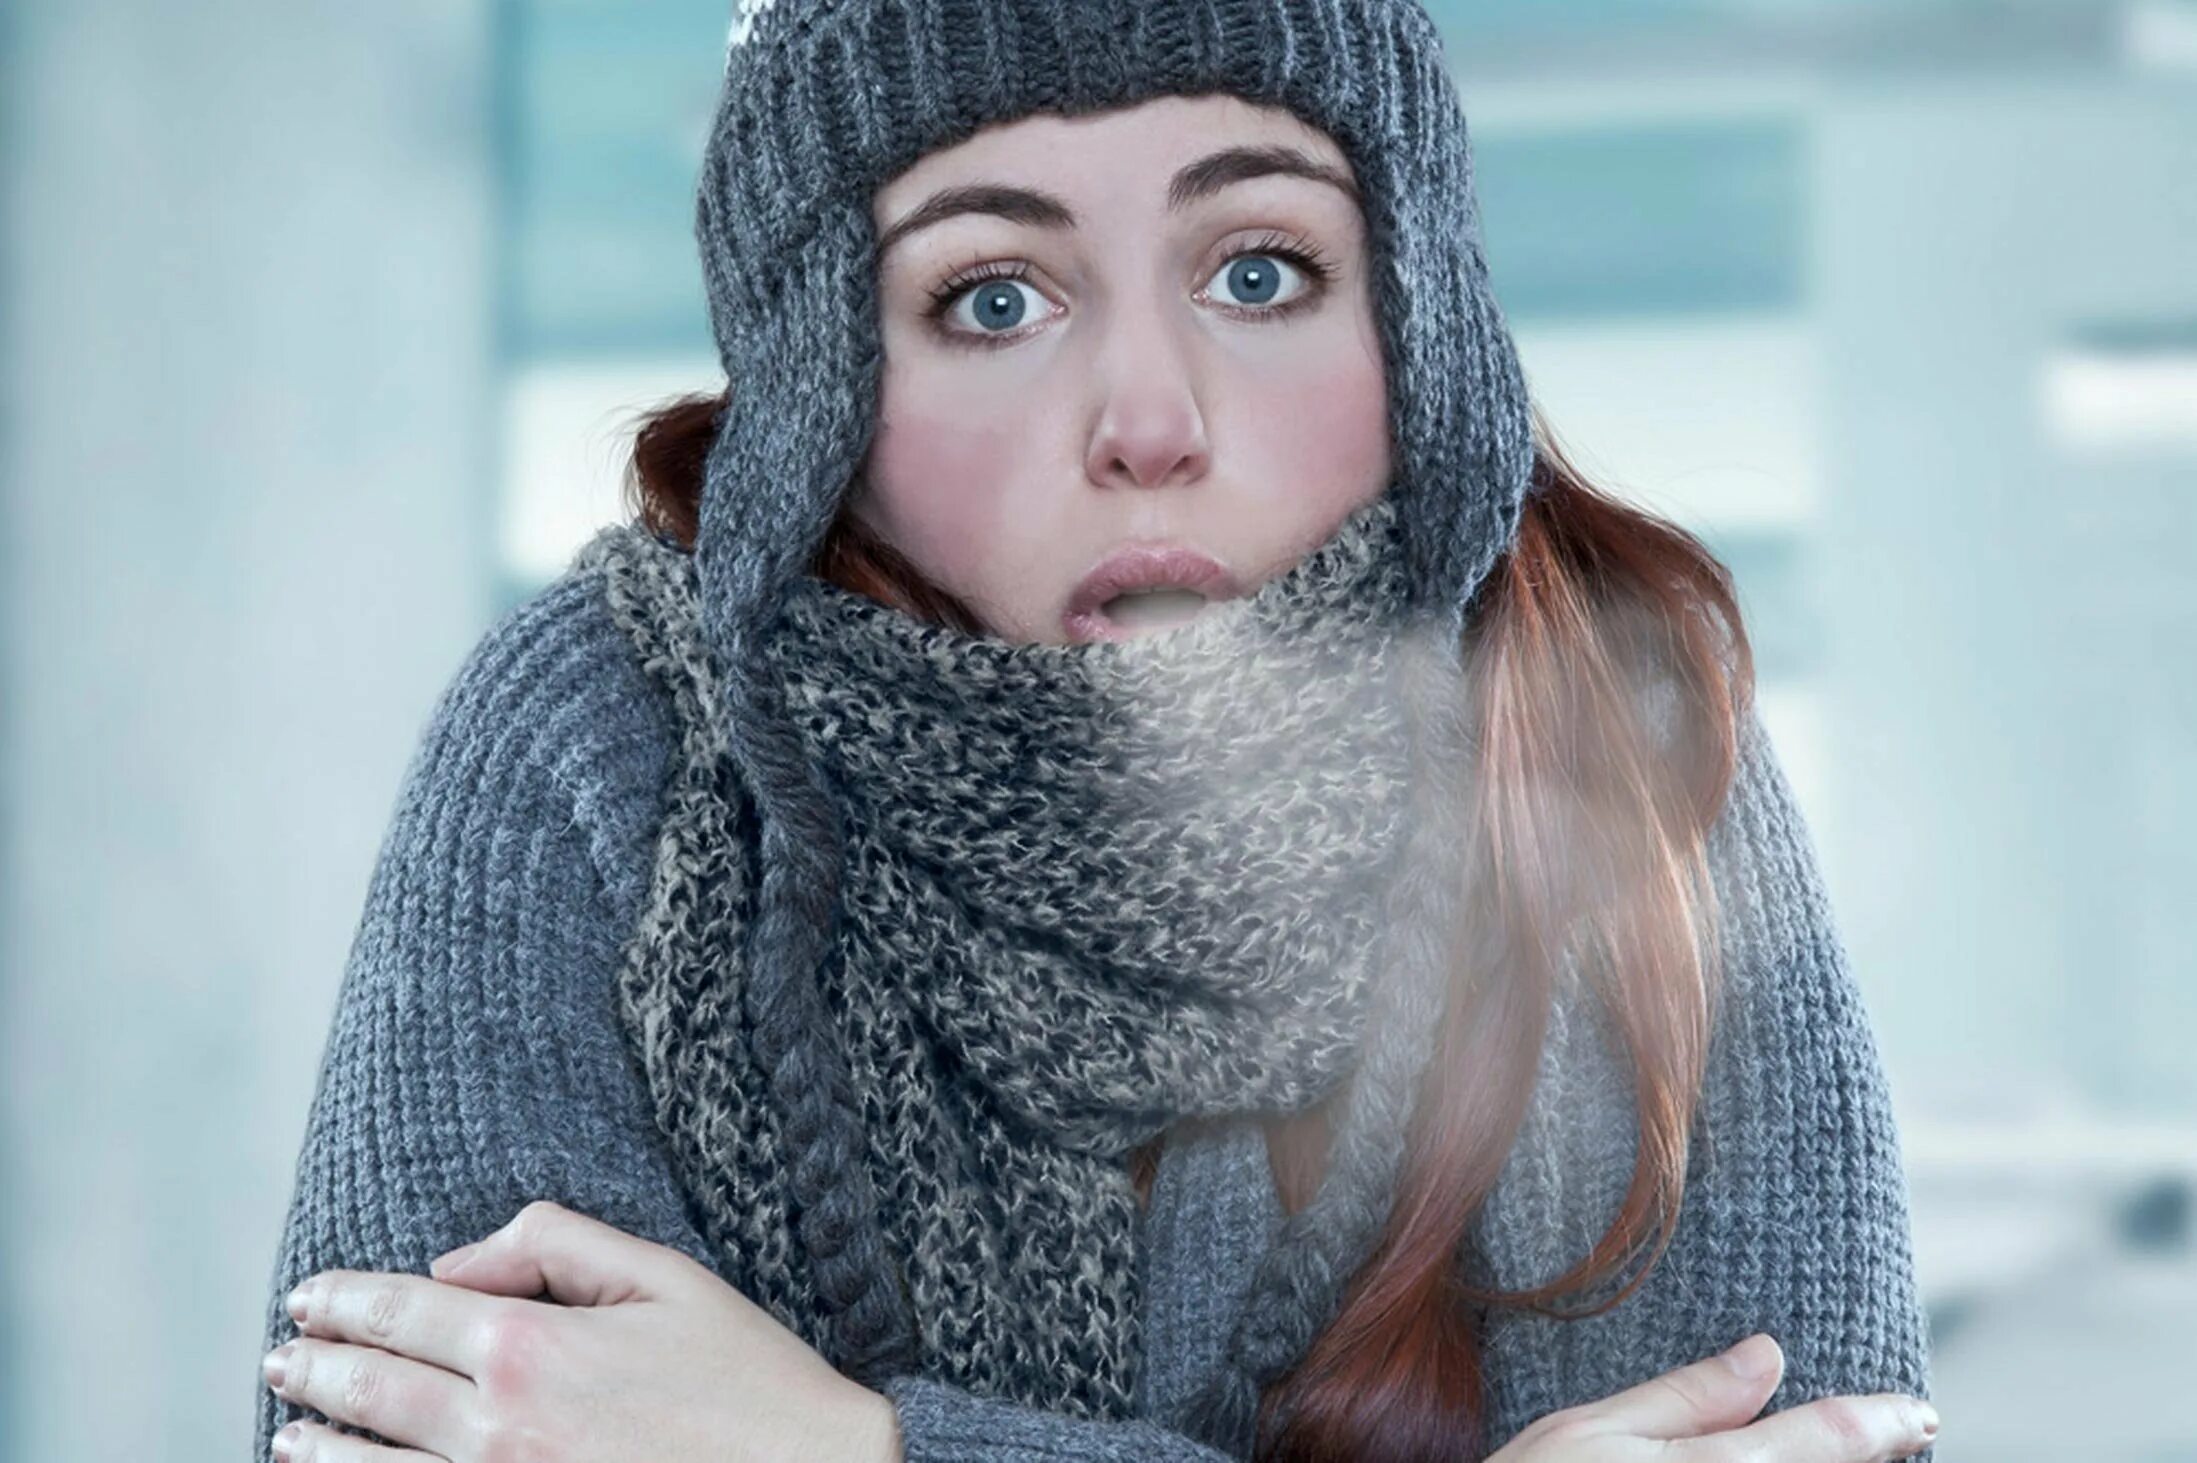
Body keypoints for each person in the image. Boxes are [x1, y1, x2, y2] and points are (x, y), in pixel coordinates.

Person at [251, 2, 1941, 1461]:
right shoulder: (601, 740)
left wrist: (844, 1445)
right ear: (818, 382)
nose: (1150, 423)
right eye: (994, 297)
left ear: (1413, 312)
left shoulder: (1610, 720)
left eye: (1261, 270)